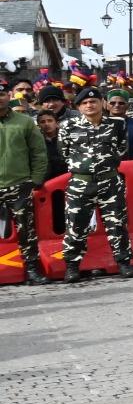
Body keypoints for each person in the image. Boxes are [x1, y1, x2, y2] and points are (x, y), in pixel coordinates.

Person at [59, 89, 133, 280]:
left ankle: (124, 262)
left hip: (110, 181)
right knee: (76, 225)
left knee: (117, 223)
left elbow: (122, 148)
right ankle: (72, 266)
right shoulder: (68, 125)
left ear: (103, 103)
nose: (89, 105)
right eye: (84, 103)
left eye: (93, 101)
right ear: (78, 107)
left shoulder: (117, 124)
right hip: (81, 183)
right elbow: (64, 152)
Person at [1, 96, 49, 285]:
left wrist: (35, 180)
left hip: (19, 185)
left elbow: (38, 152)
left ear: (8, 96)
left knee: (27, 231)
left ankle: (32, 270)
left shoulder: (25, 122)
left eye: (2, 94)